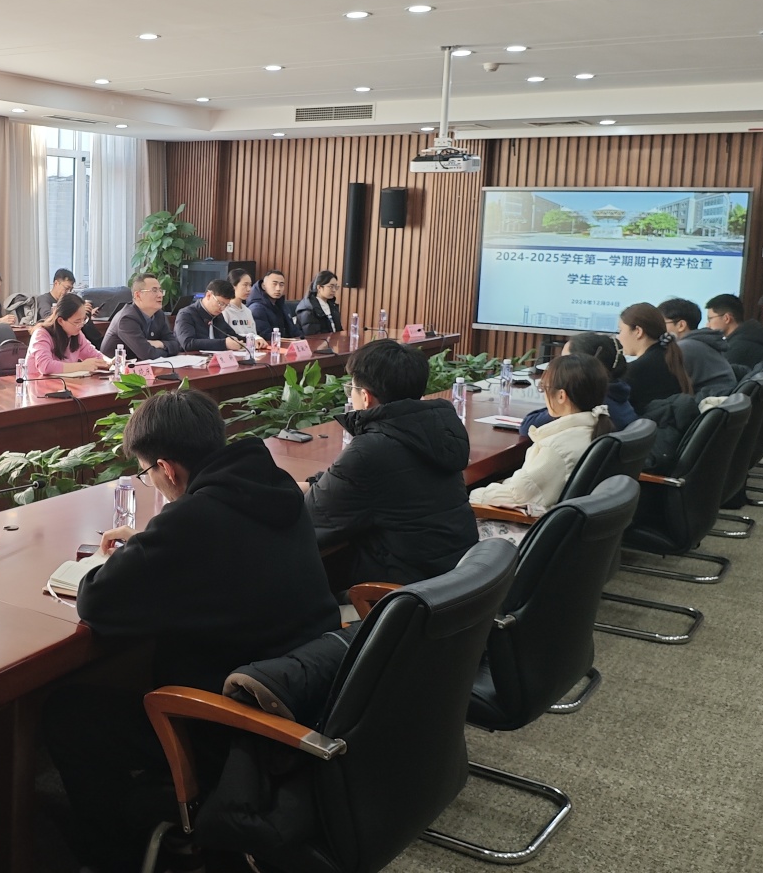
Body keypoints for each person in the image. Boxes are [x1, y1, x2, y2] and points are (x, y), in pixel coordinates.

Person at [43, 390, 338, 873]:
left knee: (70, 713)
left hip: (232, 727)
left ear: (167, 468)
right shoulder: (273, 485)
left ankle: (114, 855)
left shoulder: (193, 519)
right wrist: (154, 542)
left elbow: (97, 601)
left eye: (148, 473)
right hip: (304, 698)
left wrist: (141, 547)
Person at [304, 339, 478, 585]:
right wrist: (315, 483)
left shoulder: (370, 450)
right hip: (455, 578)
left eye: (351, 388)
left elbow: (312, 519)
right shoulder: (436, 431)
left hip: (405, 591)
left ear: (365, 397)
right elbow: (377, 482)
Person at [471, 354, 616, 511]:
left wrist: (473, 495)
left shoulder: (555, 448)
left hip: (529, 521)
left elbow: (517, 496)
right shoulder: (596, 428)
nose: (544, 394)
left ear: (561, 396)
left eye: (544, 388)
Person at [520, 332, 638, 438]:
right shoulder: (617, 391)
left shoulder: (592, 403)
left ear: (580, 365)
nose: (559, 365)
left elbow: (528, 427)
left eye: (565, 360)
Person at [617, 302, 693, 412]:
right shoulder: (668, 356)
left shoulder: (635, 369)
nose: (618, 337)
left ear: (638, 331)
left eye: (620, 330)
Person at [658, 297, 736, 398]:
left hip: (710, 402)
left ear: (681, 325)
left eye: (662, 323)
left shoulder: (684, 347)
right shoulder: (700, 342)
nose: (658, 328)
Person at [24, 292, 110, 376]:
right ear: (61, 321)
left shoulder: (77, 334)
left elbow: (95, 355)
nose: (81, 325)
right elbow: (45, 366)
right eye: (77, 322)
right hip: (38, 383)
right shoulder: (41, 334)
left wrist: (109, 362)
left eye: (83, 320)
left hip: (64, 383)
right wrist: (82, 366)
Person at [99, 273, 181, 360]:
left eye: (160, 290)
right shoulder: (127, 319)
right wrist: (167, 349)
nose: (160, 295)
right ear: (137, 295)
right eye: (154, 290)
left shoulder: (159, 314)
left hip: (146, 365)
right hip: (116, 367)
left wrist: (160, 344)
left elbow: (176, 345)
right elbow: (147, 354)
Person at [704, 292, 763, 369]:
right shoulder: (751, 337)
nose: (707, 325)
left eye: (710, 319)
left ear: (726, 318)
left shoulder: (736, 348)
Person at [172, 278, 245, 352]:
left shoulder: (218, 315)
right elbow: (188, 343)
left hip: (214, 357)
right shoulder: (186, 314)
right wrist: (224, 344)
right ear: (208, 295)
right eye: (220, 303)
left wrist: (248, 340)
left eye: (226, 305)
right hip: (190, 357)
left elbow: (232, 336)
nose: (222, 308)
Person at [247, 268, 296, 339]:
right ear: (264, 286)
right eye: (274, 284)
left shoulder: (281, 305)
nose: (278, 288)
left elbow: (293, 330)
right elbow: (265, 336)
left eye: (281, 285)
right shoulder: (257, 309)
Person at [294, 269, 343, 336]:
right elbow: (313, 337)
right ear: (319, 287)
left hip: (332, 341)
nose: (334, 290)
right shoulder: (308, 308)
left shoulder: (332, 306)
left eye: (336, 287)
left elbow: (339, 330)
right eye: (331, 287)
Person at [221, 268, 256, 340]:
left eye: (250, 285)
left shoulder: (247, 311)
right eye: (245, 285)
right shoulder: (225, 310)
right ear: (233, 286)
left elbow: (254, 335)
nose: (249, 289)